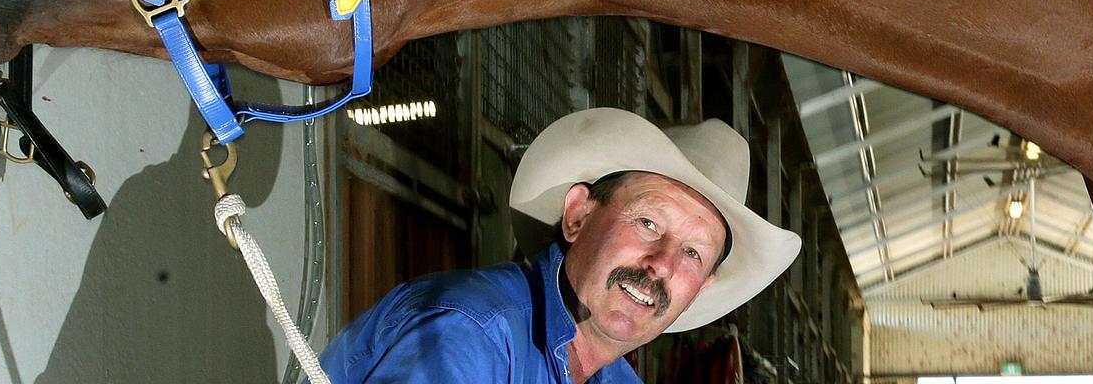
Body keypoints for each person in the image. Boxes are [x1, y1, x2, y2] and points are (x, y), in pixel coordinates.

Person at [318, 108, 801, 383]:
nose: (661, 266)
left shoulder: (616, 380)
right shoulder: (471, 333)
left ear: (701, 288)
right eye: (649, 222)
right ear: (578, 216)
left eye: (693, 253)